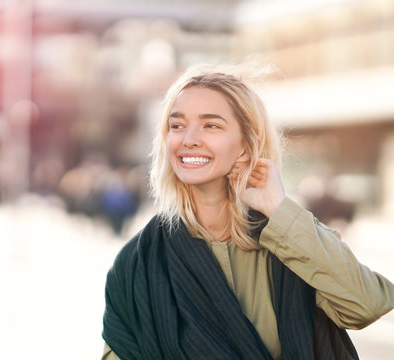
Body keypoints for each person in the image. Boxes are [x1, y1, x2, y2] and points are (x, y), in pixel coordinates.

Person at [101, 64, 394, 360]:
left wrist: (278, 209)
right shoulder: (137, 263)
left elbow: (367, 305)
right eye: (177, 126)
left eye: (211, 125)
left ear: (246, 145)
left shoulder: (291, 240)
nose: (188, 138)